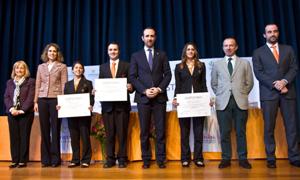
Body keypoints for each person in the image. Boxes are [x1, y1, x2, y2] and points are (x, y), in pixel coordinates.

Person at [252, 24, 300, 168]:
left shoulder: (288, 49)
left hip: (288, 92)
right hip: (269, 94)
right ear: (264, 35)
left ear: (278, 33)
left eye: (274, 31)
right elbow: (259, 73)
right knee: (268, 127)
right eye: (269, 32)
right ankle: (271, 158)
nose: (272, 34)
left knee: (291, 127)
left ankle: (295, 156)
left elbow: (294, 67)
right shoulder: (258, 52)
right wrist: (276, 84)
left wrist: (284, 81)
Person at [129, 27, 172, 169]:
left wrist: (159, 89)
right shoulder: (136, 56)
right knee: (144, 131)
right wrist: (144, 90)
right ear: (142, 38)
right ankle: (146, 159)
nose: (149, 38)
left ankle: (161, 159)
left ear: (155, 37)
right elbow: (132, 77)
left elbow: (168, 75)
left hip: (159, 98)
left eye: (152, 36)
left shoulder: (162, 54)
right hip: (143, 98)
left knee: (160, 130)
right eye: (147, 36)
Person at [211, 37, 254, 169]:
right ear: (223, 48)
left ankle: (243, 158)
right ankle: (226, 158)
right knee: (224, 132)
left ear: (236, 47)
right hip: (223, 102)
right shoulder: (217, 64)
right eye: (226, 45)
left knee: (241, 131)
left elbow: (250, 82)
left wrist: (241, 93)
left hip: (240, 101)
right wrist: (221, 94)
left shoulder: (245, 63)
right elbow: (214, 83)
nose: (228, 48)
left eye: (231, 45)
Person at [172, 43, 207, 168]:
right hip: (184, 103)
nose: (191, 51)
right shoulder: (179, 66)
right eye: (188, 49)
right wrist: (175, 98)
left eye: (192, 49)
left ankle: (198, 158)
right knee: (184, 133)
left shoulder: (201, 65)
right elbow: (177, 85)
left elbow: (203, 84)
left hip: (199, 103)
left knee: (198, 133)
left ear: (195, 51)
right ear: (185, 51)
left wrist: (206, 99)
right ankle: (185, 158)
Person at [99, 43, 133, 168]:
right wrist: (97, 91)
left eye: (115, 49)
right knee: (109, 134)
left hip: (122, 107)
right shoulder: (102, 67)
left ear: (119, 51)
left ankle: (122, 158)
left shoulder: (127, 65)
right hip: (107, 107)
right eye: (110, 49)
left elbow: (131, 84)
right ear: (108, 52)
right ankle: (110, 159)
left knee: (122, 133)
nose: (113, 51)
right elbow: (100, 85)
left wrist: (130, 87)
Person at [34, 43, 68, 167]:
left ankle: (55, 159)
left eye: (54, 51)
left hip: (56, 100)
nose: (52, 53)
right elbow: (37, 84)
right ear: (46, 53)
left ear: (57, 53)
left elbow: (64, 85)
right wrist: (35, 102)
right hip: (42, 100)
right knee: (44, 130)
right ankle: (45, 159)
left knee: (55, 129)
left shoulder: (62, 66)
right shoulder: (41, 67)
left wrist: (63, 102)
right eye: (50, 51)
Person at [61, 61, 94, 168]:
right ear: (72, 70)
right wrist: (60, 106)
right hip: (72, 114)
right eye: (76, 67)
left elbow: (91, 98)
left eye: (80, 68)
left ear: (83, 70)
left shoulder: (88, 83)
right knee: (74, 138)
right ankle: (75, 160)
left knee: (85, 137)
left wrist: (91, 105)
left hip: (84, 115)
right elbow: (65, 99)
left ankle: (86, 160)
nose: (78, 69)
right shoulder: (67, 84)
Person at [4, 60, 35, 168]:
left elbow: (30, 98)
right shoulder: (9, 82)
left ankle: (22, 160)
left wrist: (22, 110)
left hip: (25, 113)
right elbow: (6, 97)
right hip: (12, 113)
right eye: (17, 68)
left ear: (25, 70)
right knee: (14, 137)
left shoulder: (30, 81)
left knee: (24, 136)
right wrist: (12, 109)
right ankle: (14, 160)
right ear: (14, 70)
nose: (19, 70)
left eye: (22, 68)